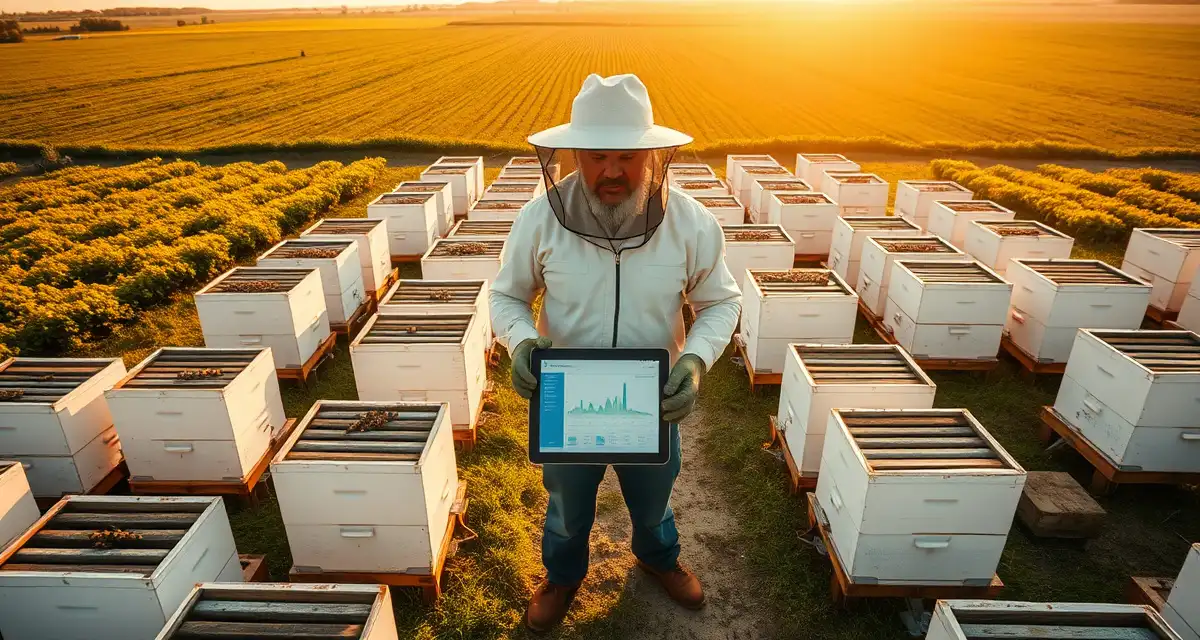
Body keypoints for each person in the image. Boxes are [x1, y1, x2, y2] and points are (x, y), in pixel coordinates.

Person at [490, 73, 742, 633]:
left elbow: (722, 302)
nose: (611, 170)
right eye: (597, 154)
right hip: (566, 399)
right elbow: (508, 294)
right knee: (566, 503)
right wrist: (521, 340)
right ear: (575, 154)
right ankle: (562, 576)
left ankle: (658, 559)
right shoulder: (538, 220)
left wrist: (695, 362)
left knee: (654, 496)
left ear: (653, 156)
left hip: (649, 399)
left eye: (627, 156)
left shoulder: (691, 223)